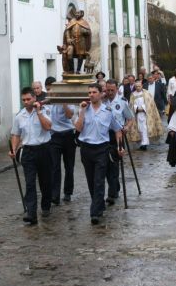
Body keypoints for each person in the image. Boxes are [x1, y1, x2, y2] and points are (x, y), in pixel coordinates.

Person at [74, 83, 124, 225]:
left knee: (99, 180)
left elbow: (117, 130)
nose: (91, 95)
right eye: (89, 92)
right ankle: (99, 204)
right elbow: (77, 129)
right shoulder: (83, 109)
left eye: (94, 92)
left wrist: (120, 147)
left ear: (100, 94)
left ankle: (95, 212)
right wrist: (82, 112)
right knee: (91, 181)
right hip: (86, 149)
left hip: (102, 149)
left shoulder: (108, 111)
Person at [9, 87, 53, 225]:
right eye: (23, 100)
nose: (26, 102)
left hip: (44, 149)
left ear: (34, 98)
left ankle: (46, 206)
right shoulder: (19, 116)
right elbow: (16, 134)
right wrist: (14, 149)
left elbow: (48, 127)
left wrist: (38, 112)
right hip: (28, 151)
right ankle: (31, 213)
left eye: (28, 99)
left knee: (45, 182)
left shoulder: (45, 111)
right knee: (29, 183)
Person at [103, 79, 133, 206]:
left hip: (118, 135)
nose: (109, 92)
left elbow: (130, 118)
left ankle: (112, 193)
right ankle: (115, 187)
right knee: (105, 164)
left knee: (114, 164)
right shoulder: (101, 101)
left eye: (112, 90)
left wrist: (127, 127)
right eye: (107, 90)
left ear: (116, 89)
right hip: (103, 135)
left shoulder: (122, 102)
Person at [47, 78, 77, 205]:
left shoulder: (67, 99)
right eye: (48, 89)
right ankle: (55, 195)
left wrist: (63, 102)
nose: (50, 92)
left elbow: (70, 115)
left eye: (52, 89)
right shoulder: (47, 102)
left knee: (69, 166)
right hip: (54, 137)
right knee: (54, 167)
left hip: (68, 136)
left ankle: (68, 192)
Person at [128, 80, 164, 150]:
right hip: (137, 115)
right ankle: (142, 142)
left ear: (141, 86)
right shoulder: (133, 94)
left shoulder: (146, 93)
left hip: (146, 114)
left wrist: (144, 108)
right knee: (139, 128)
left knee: (145, 128)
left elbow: (150, 104)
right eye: (136, 86)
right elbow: (131, 105)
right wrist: (136, 109)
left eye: (139, 86)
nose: (138, 88)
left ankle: (144, 144)